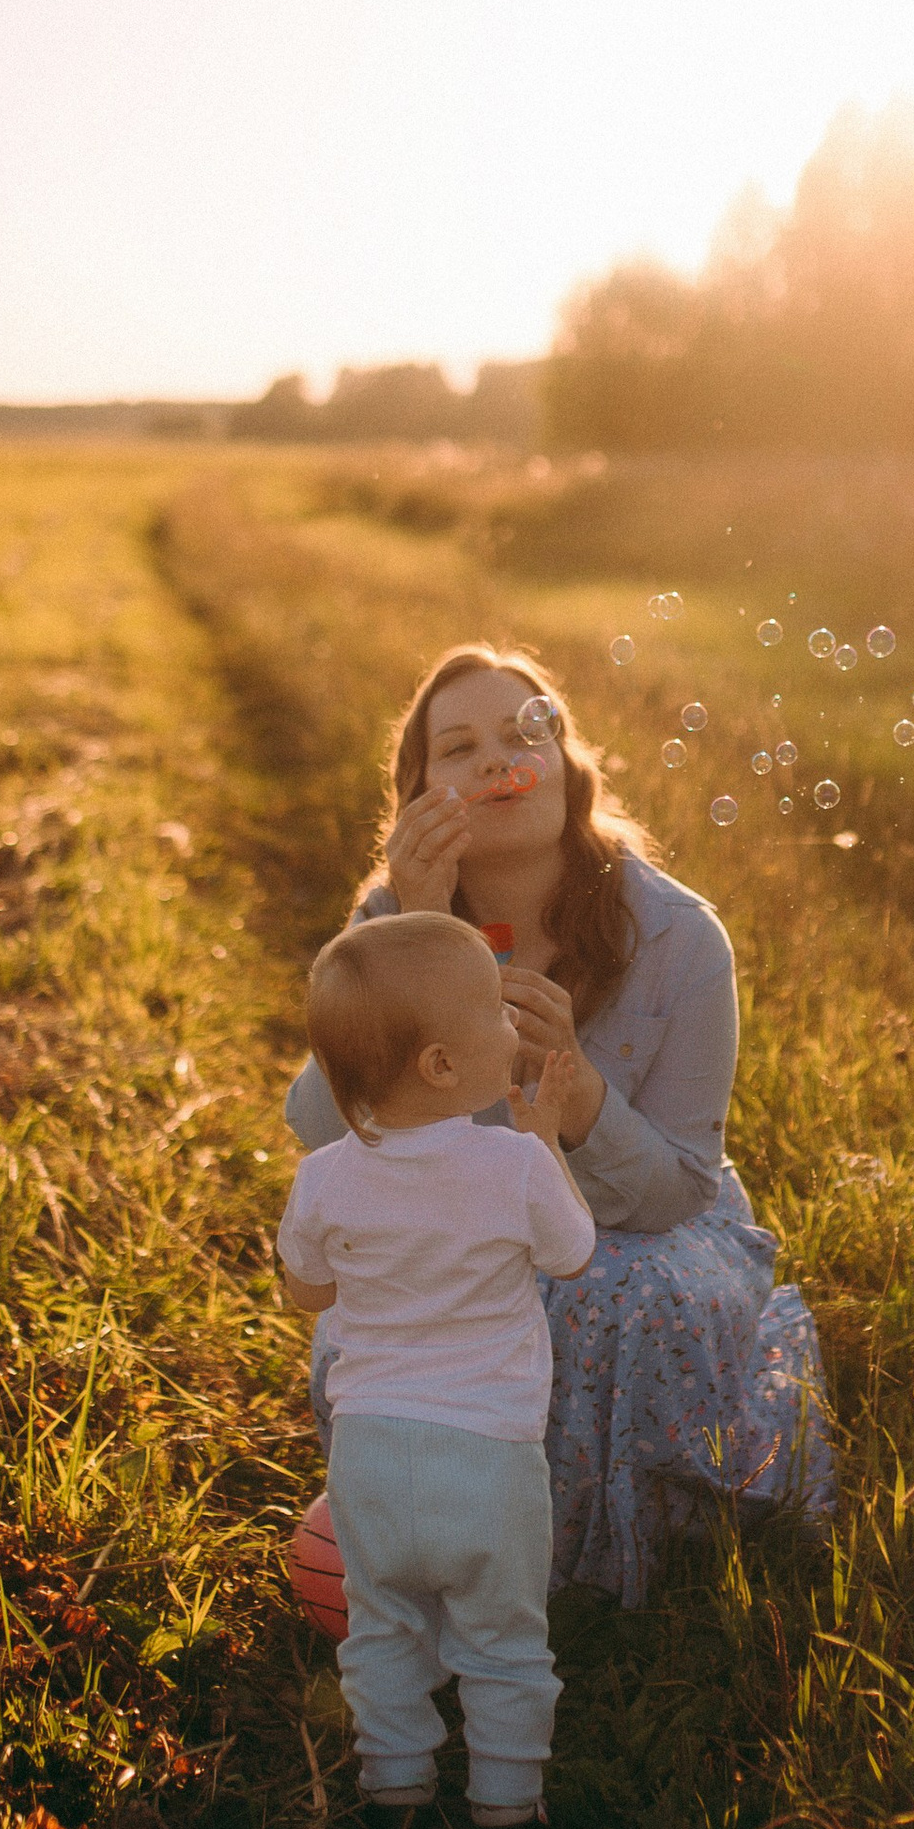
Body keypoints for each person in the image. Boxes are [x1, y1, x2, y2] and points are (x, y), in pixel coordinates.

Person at [282, 644, 832, 1608]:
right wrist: (420, 935)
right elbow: (332, 1130)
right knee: (423, 1297)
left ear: (570, 767)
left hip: (650, 1226)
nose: (500, 760)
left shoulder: (679, 937)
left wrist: (575, 1099)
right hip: (457, 1211)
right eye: (460, 747)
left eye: (525, 731)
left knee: (595, 1296)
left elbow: (672, 1193)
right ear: (418, 801)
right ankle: (444, 1539)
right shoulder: (392, 914)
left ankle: (577, 1567)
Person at [277, 914, 596, 1829]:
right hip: (487, 1455)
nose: (514, 1032)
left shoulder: (322, 1178)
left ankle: (396, 1791)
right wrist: (543, 1142)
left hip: (372, 1451)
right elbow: (572, 1255)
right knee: (502, 1638)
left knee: (380, 1630)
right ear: (442, 1068)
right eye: (497, 1015)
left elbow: (309, 1291)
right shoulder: (511, 1163)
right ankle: (503, 1803)